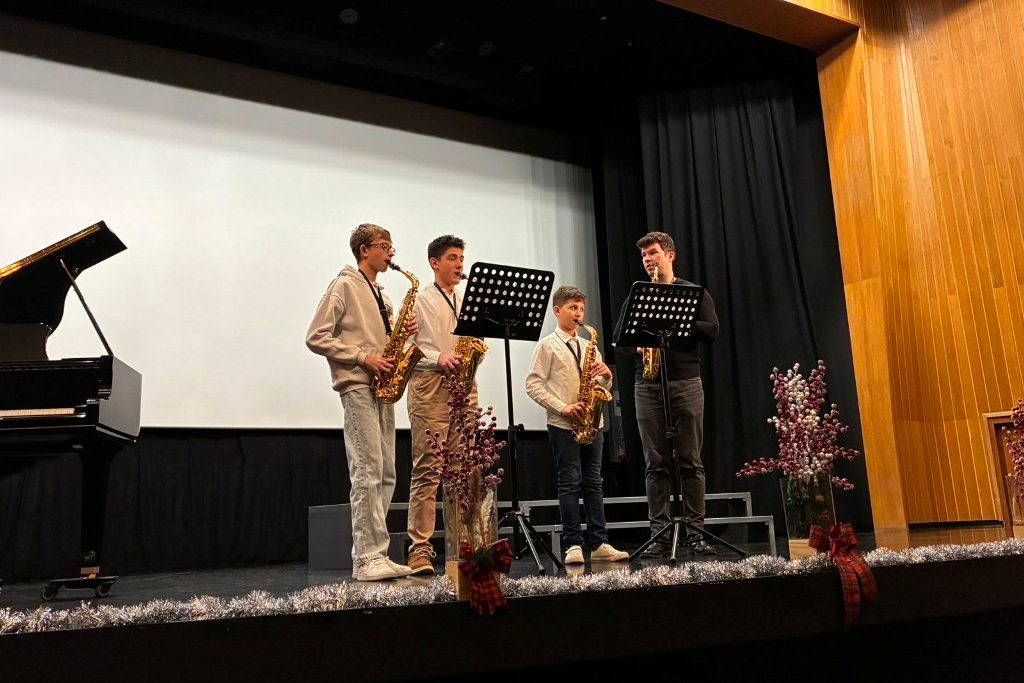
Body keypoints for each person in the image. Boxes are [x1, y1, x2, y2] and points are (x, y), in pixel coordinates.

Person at [306, 223, 418, 581]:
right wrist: (361, 357)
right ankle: (366, 556)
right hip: (357, 384)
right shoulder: (344, 285)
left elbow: (387, 345)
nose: (390, 253)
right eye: (384, 246)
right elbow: (316, 336)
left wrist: (403, 336)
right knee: (367, 471)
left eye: (392, 246)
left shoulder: (383, 295)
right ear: (363, 250)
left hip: (383, 387)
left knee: (386, 473)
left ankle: (378, 553)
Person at [625, 231, 719, 556]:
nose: (647, 260)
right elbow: (619, 336)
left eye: (652, 253)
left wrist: (678, 323)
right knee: (655, 464)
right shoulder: (639, 294)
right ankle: (659, 535)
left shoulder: (692, 292)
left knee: (691, 461)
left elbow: (712, 330)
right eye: (643, 256)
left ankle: (696, 533)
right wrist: (636, 344)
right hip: (647, 385)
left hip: (685, 382)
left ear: (670, 255)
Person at [525, 285, 629, 565]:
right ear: (557, 310)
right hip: (563, 423)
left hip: (592, 423)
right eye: (573, 308)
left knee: (594, 483)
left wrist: (606, 376)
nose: (579, 314)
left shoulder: (588, 346)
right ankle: (573, 543)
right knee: (569, 482)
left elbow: (602, 386)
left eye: (581, 309)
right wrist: (563, 407)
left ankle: (599, 543)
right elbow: (532, 384)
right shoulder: (547, 345)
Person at [404, 234, 481, 575]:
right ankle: (420, 548)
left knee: (465, 468)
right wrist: (438, 357)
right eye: (452, 258)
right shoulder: (419, 300)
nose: (460, 264)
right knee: (429, 468)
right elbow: (406, 348)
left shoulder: (466, 300)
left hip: (465, 387)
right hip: (430, 386)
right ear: (434, 263)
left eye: (461, 258)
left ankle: (463, 543)